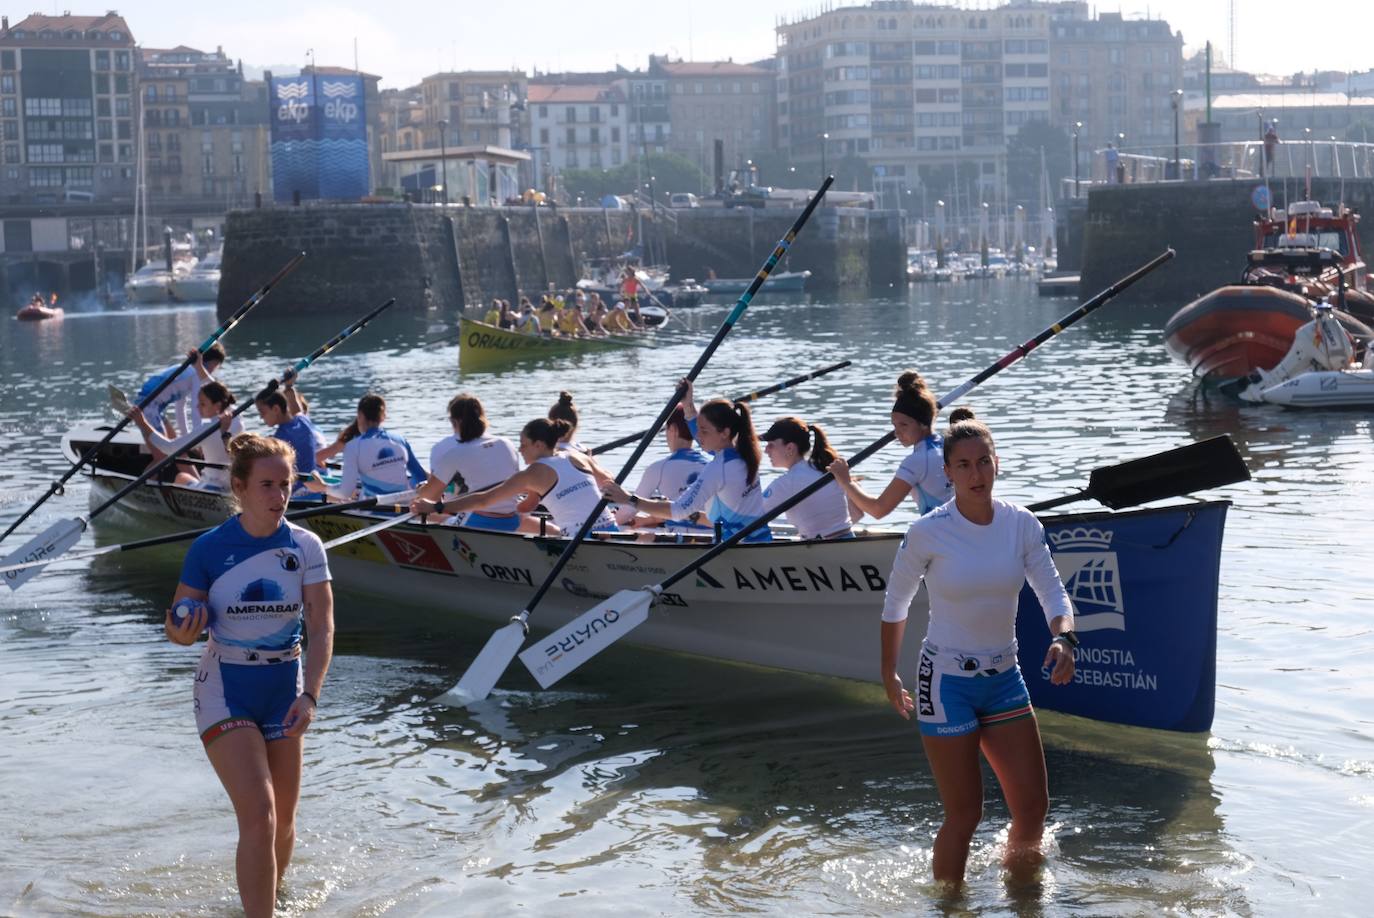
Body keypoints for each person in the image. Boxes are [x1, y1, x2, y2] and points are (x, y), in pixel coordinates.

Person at [880, 410, 1077, 891]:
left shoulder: (1021, 525)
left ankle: (1022, 895)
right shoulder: (929, 530)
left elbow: (1053, 592)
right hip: (946, 682)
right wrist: (889, 672)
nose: (975, 474)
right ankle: (950, 904)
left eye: (983, 462)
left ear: (997, 464)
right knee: (966, 813)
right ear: (946, 473)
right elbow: (896, 602)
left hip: (1004, 676)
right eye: (963, 466)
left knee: (1032, 809)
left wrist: (1064, 636)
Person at [165, 433, 333, 918]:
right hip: (226, 689)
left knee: (282, 823)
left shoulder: (306, 546)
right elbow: (176, 628)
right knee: (259, 816)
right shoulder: (209, 548)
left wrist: (312, 695)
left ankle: (271, 901)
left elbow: (322, 626)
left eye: (286, 485)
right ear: (239, 487)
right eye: (267, 485)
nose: (279, 497)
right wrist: (184, 628)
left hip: (285, 688)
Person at [601, 379, 771, 542]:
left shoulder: (718, 469)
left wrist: (629, 499)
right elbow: (702, 436)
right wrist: (688, 405)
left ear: (725, 433)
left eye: (703, 430)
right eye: (698, 429)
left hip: (738, 552)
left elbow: (678, 511)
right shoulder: (742, 452)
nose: (698, 436)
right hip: (761, 540)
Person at [410, 417, 617, 536]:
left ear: (539, 445)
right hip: (612, 528)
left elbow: (483, 500)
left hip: (580, 538)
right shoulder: (578, 456)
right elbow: (608, 482)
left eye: (523, 444)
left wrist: (436, 507)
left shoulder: (531, 474)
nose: (520, 450)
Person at [829, 370, 951, 520]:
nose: (897, 433)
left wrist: (846, 482)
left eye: (903, 425)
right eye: (895, 425)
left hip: (940, 535)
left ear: (923, 424)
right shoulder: (948, 444)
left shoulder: (916, 461)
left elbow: (878, 510)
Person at [413, 393, 537, 533]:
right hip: (513, 520)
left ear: (455, 422)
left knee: (420, 515)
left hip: (478, 522)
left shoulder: (455, 453)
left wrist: (420, 490)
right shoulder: (506, 443)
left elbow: (429, 495)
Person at [305, 394, 426, 500]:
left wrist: (321, 487)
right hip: (403, 508)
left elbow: (345, 493)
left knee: (343, 497)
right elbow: (421, 477)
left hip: (372, 511)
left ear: (360, 416)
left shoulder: (353, 447)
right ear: (383, 417)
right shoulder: (400, 441)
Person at [127, 380, 243, 490]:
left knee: (181, 477)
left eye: (202, 404)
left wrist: (143, 423)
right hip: (231, 486)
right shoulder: (237, 419)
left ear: (217, 406)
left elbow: (169, 448)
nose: (197, 407)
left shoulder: (208, 428)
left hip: (213, 486)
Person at [760, 416, 856, 540]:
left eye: (771, 445)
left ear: (790, 448)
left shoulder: (787, 483)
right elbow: (857, 514)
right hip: (848, 539)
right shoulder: (824, 468)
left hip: (821, 550)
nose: (766, 451)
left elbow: (753, 515)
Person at [613, 405, 710, 528]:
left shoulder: (659, 468)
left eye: (666, 429)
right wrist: (651, 519)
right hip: (715, 532)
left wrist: (603, 522)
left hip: (680, 537)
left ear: (673, 429)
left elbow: (628, 511)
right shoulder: (713, 463)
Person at [136, 344, 226, 440]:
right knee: (162, 452)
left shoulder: (187, 369)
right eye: (215, 365)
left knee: (174, 440)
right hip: (147, 405)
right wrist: (197, 439)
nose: (214, 370)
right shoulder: (195, 375)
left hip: (152, 406)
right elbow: (196, 409)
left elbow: (180, 408)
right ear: (208, 362)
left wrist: (186, 436)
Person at [254, 386, 318, 494]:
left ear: (276, 409)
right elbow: (295, 404)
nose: (261, 417)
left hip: (297, 492)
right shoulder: (303, 420)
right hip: (314, 486)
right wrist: (289, 386)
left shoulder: (280, 439)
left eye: (262, 412)